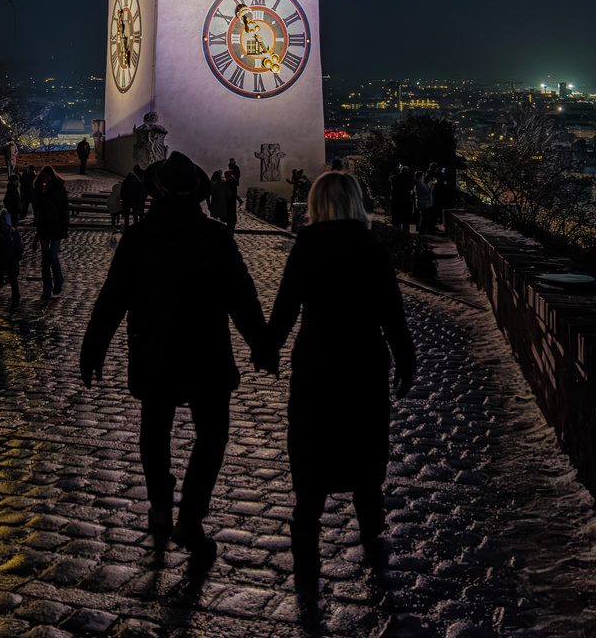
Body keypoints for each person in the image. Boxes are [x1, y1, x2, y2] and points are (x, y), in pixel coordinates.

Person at [80, 151, 271, 553]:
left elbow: (112, 299)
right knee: (213, 436)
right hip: (207, 354)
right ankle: (190, 518)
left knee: (155, 434)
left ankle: (160, 508)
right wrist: (261, 345)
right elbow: (243, 299)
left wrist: (93, 348)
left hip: (155, 352)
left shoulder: (139, 239)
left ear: (158, 193)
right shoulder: (216, 237)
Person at [266, 171, 416, 587]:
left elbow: (284, 311)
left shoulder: (306, 248)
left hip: (316, 364)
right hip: (364, 364)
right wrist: (405, 361)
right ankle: (371, 532)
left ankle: (305, 539)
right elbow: (392, 316)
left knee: (311, 449)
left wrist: (267, 350)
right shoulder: (373, 250)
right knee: (367, 451)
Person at [33, 165, 69, 300]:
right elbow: (36, 206)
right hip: (43, 226)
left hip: (56, 226)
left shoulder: (58, 188)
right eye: (42, 177)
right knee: (45, 259)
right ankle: (47, 288)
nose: (44, 179)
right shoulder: (38, 188)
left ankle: (58, 281)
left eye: (46, 177)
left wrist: (65, 226)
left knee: (52, 256)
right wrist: (41, 195)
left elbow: (64, 207)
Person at [0, 210, 24, 315]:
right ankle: (13, 303)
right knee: (9, 283)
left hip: (4, 263)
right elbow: (19, 249)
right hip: (6, 263)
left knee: (1, 284)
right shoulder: (11, 234)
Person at [389, 165, 414, 232]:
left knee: (396, 218)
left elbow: (390, 177)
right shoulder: (409, 178)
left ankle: (397, 231)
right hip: (406, 200)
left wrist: (396, 169)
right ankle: (406, 231)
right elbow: (412, 187)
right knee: (405, 218)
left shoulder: (395, 178)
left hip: (396, 200)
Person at [413, 171, 433, 235]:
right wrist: (432, 185)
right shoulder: (420, 183)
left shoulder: (418, 183)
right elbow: (427, 191)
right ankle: (422, 233)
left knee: (423, 218)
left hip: (421, 203)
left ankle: (421, 232)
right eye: (423, 175)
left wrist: (430, 183)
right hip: (424, 203)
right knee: (424, 219)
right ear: (420, 176)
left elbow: (425, 188)